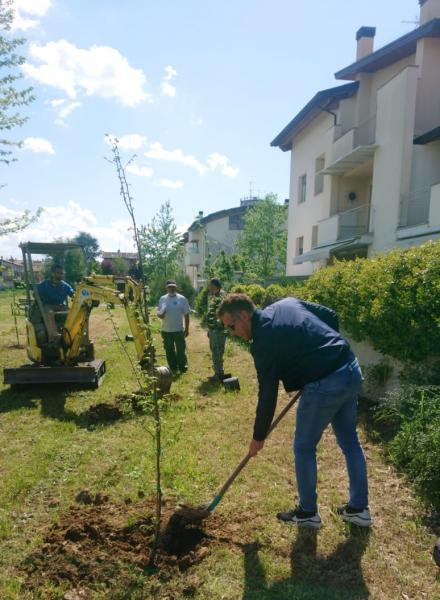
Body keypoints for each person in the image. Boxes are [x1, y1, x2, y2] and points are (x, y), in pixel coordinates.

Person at [218, 293, 371, 529]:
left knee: (303, 447)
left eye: (232, 325)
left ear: (245, 316)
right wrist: (326, 352)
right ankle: (359, 509)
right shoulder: (287, 303)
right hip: (349, 368)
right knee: (350, 441)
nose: (232, 332)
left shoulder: (263, 343)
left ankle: (308, 513)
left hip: (325, 383)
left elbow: (267, 396)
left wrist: (258, 437)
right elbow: (331, 316)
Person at [157, 279, 190, 375]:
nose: (171, 288)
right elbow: (159, 312)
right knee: (169, 349)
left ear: (176, 287)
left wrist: (187, 329)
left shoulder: (182, 299)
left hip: (178, 330)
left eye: (173, 286)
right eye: (169, 287)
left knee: (180, 349)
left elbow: (186, 315)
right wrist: (160, 314)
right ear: (166, 288)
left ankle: (182, 367)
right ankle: (172, 367)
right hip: (166, 330)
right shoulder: (162, 298)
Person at [36, 264, 74, 343]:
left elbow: (73, 294)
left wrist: (74, 297)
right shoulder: (44, 285)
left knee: (72, 312)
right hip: (47, 305)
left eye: (61, 273)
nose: (60, 275)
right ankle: (54, 336)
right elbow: (36, 294)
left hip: (60, 305)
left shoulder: (65, 285)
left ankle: (70, 333)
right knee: (49, 313)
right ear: (52, 273)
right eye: (58, 273)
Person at [206, 278, 227, 382]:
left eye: (210, 285)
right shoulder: (211, 296)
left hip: (219, 329)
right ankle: (217, 372)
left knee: (218, 350)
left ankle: (219, 373)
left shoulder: (222, 296)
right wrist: (209, 328)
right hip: (212, 328)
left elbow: (225, 313)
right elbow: (210, 312)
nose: (208, 287)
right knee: (214, 350)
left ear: (214, 285)